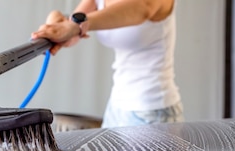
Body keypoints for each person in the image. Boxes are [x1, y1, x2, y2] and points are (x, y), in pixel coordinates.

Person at [31, 0, 184, 128]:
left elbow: (143, 8)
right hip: (116, 106)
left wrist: (77, 25)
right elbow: (73, 26)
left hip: (152, 110)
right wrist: (57, 22)